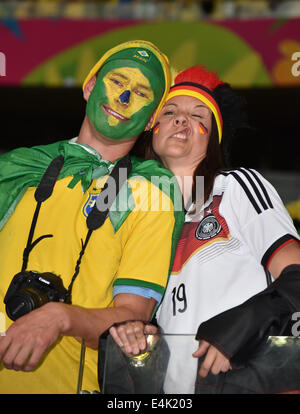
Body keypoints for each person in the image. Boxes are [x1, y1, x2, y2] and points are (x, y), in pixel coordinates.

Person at [0, 40, 185, 394]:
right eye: (117, 82)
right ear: (89, 87)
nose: (124, 99)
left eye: (141, 93)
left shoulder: (150, 192)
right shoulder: (17, 169)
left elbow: (131, 318)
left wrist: (61, 317)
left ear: (150, 121)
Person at [109, 65, 300, 394]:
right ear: (152, 131)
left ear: (212, 139)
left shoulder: (236, 186)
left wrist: (241, 328)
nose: (181, 119)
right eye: (170, 112)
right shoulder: (138, 216)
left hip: (252, 381)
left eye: (198, 115)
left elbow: (297, 276)